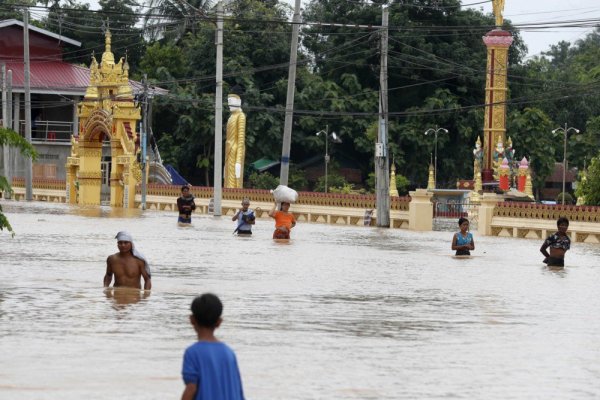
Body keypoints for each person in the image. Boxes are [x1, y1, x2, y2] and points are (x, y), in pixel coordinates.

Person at [181, 293, 245, 400]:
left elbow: (191, 388)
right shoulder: (229, 353)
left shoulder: (192, 352)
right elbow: (238, 391)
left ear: (192, 320)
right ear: (219, 322)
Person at [224, 93, 246, 188]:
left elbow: (241, 140)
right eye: (228, 103)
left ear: (239, 102)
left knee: (235, 180)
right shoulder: (231, 117)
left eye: (231, 102)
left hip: (236, 150)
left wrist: (238, 161)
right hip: (228, 152)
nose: (229, 105)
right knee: (227, 179)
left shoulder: (241, 116)